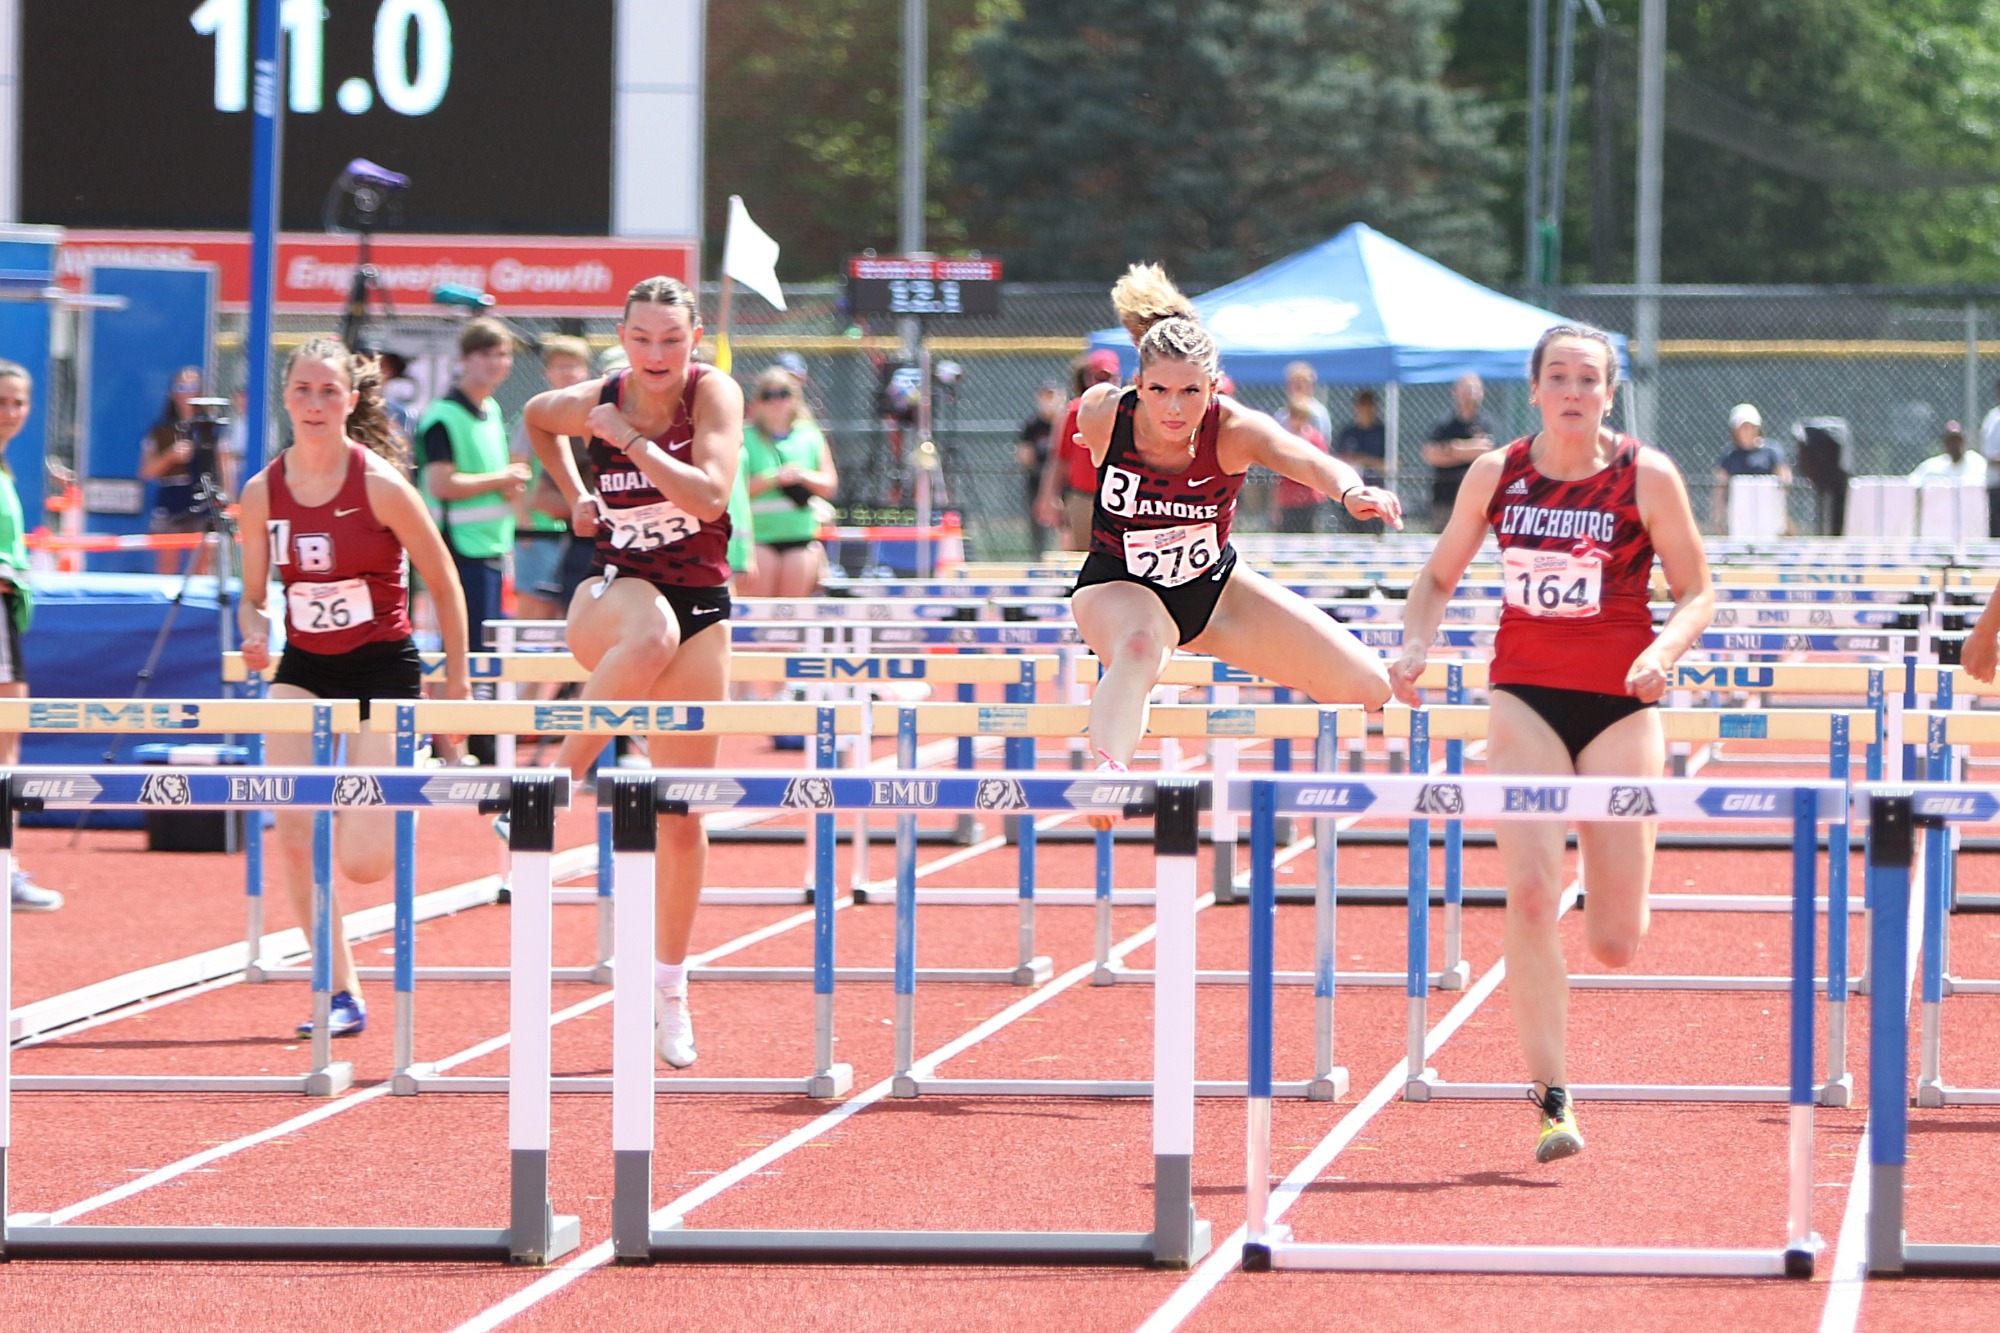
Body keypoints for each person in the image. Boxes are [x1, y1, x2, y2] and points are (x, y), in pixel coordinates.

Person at [1388, 324, 1713, 1164]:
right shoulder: (1497, 473)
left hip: (1622, 702)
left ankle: (1620, 883)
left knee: (1615, 939)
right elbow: (1436, 577)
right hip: (1524, 697)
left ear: (1610, 392)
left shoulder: (1647, 475)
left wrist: (1663, 652)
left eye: (1588, 378)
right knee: (1531, 894)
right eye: (1559, 377)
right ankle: (1552, 1096)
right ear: (1534, 390)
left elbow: (1697, 591)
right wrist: (1416, 643)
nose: (1573, 391)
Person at [521, 275, 744, 1069]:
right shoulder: (598, 396)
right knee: (648, 632)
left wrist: (631, 442)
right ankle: (551, 786)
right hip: (611, 597)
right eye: (642, 338)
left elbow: (710, 498)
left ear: (694, 341)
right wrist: (577, 492)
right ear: (622, 337)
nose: (656, 354)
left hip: (702, 605)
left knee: (682, 815)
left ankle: (670, 989)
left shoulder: (712, 395)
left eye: (672, 340)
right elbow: (534, 416)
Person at [1070, 264, 1402, 796]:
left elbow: (1307, 460)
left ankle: (1184, 645)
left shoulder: (1234, 429)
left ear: (1213, 387)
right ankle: (1110, 772)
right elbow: (1089, 444)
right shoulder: (1103, 413)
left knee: (1368, 684)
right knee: (1140, 644)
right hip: (1119, 584)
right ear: (1137, 385)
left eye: (1190, 391)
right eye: (1158, 390)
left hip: (1213, 589)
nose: (1173, 408)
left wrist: (1350, 490)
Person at [237, 339, 471, 1037]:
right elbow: (254, 596)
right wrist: (255, 629)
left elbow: (445, 582)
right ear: (286, 396)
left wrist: (456, 686)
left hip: (382, 666)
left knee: (365, 863)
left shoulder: (381, 485)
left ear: (351, 400)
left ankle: (401, 779)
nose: (314, 404)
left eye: (328, 392)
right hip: (306, 666)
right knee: (292, 825)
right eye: (303, 390)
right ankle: (339, 989)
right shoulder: (261, 492)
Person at [418, 318, 530, 766]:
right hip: (456, 549)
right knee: (456, 651)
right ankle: (447, 749)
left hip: (489, 548)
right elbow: (441, 483)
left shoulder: (493, 411)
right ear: (465, 359)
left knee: (483, 653)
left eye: (503, 354)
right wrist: (501, 479)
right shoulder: (442, 417)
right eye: (486, 354)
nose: (496, 363)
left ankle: (477, 745)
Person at [0, 363, 58, 912]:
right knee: (6, 744)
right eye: (1, 401)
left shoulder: (7, 467)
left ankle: (6, 868)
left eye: (18, 402)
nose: (10, 412)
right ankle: (5, 872)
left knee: (9, 742)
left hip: (9, 612)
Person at [736, 366, 837, 599]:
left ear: (795, 398)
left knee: (793, 611)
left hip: (800, 537)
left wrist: (801, 476)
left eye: (783, 394)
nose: (776, 402)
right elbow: (735, 490)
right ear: (758, 401)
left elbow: (829, 485)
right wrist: (774, 478)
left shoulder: (810, 435)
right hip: (758, 539)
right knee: (759, 611)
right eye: (768, 395)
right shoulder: (745, 437)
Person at [512, 336, 593, 626]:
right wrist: (523, 522)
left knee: (574, 613)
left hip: (576, 530)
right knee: (535, 614)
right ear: (547, 371)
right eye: (560, 366)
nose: (567, 373)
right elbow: (517, 468)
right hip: (540, 530)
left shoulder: (591, 414)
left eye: (573, 365)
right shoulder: (534, 414)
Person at [1036, 350, 1124, 551]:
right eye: (1098, 377)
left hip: (1120, 498)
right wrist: (1049, 496)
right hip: (1084, 497)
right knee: (1084, 555)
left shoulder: (1128, 409)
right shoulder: (1075, 410)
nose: (1104, 383)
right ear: (1087, 379)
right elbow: (1059, 457)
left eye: (1109, 377)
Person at [139, 366, 223, 574]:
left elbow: (224, 469)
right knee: (166, 572)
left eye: (193, 387)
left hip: (203, 505)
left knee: (202, 572)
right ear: (172, 394)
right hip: (171, 505)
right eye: (182, 388)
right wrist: (170, 456)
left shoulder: (212, 430)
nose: (188, 393)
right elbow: (145, 472)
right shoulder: (159, 430)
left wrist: (225, 502)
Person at [1423, 372, 1495, 529]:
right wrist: (1471, 450)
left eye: (1474, 389)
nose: (1470, 394)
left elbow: (1489, 452)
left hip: (1479, 500)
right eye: (1465, 389)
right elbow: (1431, 455)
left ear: (1482, 393)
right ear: (1455, 392)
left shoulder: (1487, 423)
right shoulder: (1443, 425)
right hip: (1446, 498)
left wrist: (1451, 448)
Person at [1711, 402, 1791, 533]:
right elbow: (1720, 488)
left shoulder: (1771, 451)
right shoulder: (1729, 455)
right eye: (1743, 427)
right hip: (1739, 514)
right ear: (1735, 431)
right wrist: (1718, 519)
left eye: (1751, 427)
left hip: (1768, 511)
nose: (1747, 431)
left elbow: (1784, 478)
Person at [1267, 394, 1330, 533]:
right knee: (1286, 536)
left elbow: (1322, 464)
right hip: (1287, 498)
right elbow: (1277, 470)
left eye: (1301, 416)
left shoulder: (1315, 439)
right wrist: (1274, 505)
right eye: (1294, 416)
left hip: (1310, 498)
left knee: (1309, 537)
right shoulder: (1283, 438)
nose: (1297, 420)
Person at [1332, 388, 1388, 534]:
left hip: (1376, 492)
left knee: (1374, 533)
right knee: (1351, 534)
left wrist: (1364, 460)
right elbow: (1338, 461)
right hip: (1352, 492)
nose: (1364, 409)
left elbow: (1391, 464)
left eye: (1368, 404)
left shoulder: (1383, 433)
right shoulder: (1347, 433)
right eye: (1361, 404)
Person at [1019, 381, 1061, 556]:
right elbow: (1025, 455)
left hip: (1061, 481)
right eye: (1045, 396)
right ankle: (1038, 555)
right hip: (1037, 479)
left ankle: (1061, 555)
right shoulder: (1033, 425)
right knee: (1037, 522)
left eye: (1052, 396)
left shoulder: (1063, 422)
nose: (1049, 401)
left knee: (1063, 522)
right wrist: (1044, 473)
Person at [1910, 420, 1988, 486]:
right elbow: (1912, 482)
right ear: (1944, 444)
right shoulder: (1933, 466)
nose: (1954, 445)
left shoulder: (1977, 463)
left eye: (1957, 441)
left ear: (1964, 443)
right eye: (1950, 441)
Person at [1283, 361, 1333, 442]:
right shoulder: (1281, 415)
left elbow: (1319, 444)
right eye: (1293, 383)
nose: (1297, 387)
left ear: (1311, 387)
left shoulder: (1317, 414)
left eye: (1303, 383)